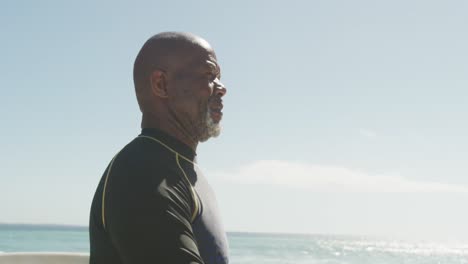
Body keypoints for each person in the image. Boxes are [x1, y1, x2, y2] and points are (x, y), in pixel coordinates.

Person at [89, 32, 229, 264]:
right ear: (161, 84)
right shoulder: (140, 173)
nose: (222, 88)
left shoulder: (178, 168)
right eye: (208, 75)